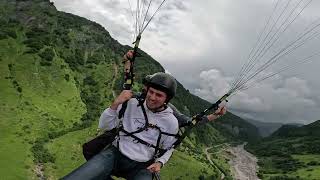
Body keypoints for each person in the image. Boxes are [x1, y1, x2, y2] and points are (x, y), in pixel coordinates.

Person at [63, 72, 180, 180]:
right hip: (115, 154)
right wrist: (115, 104)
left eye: (159, 95)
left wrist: (160, 162)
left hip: (143, 166)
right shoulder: (132, 104)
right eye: (151, 92)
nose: (152, 97)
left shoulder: (171, 122)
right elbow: (104, 126)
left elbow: (169, 147)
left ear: (166, 99)